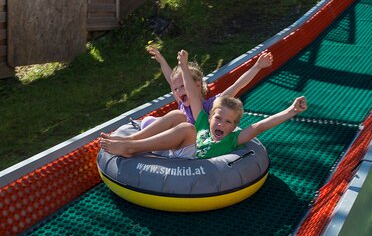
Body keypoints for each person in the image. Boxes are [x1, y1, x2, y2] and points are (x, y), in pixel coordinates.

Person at [99, 50, 307, 160]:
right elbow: (180, 85)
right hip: (179, 144)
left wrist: (290, 110)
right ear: (210, 118)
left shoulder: (226, 128)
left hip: (188, 147)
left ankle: (131, 146)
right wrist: (173, 63)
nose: (221, 124)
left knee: (184, 124)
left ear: (234, 127)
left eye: (227, 122)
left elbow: (259, 125)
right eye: (218, 119)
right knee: (178, 117)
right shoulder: (202, 122)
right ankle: (131, 142)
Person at [140, 47, 273, 128]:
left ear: (197, 85)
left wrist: (257, 67)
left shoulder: (212, 104)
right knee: (147, 121)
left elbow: (236, 86)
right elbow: (171, 79)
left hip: (190, 141)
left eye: (183, 86)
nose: (178, 91)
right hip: (175, 136)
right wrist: (162, 60)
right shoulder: (182, 103)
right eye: (176, 89)